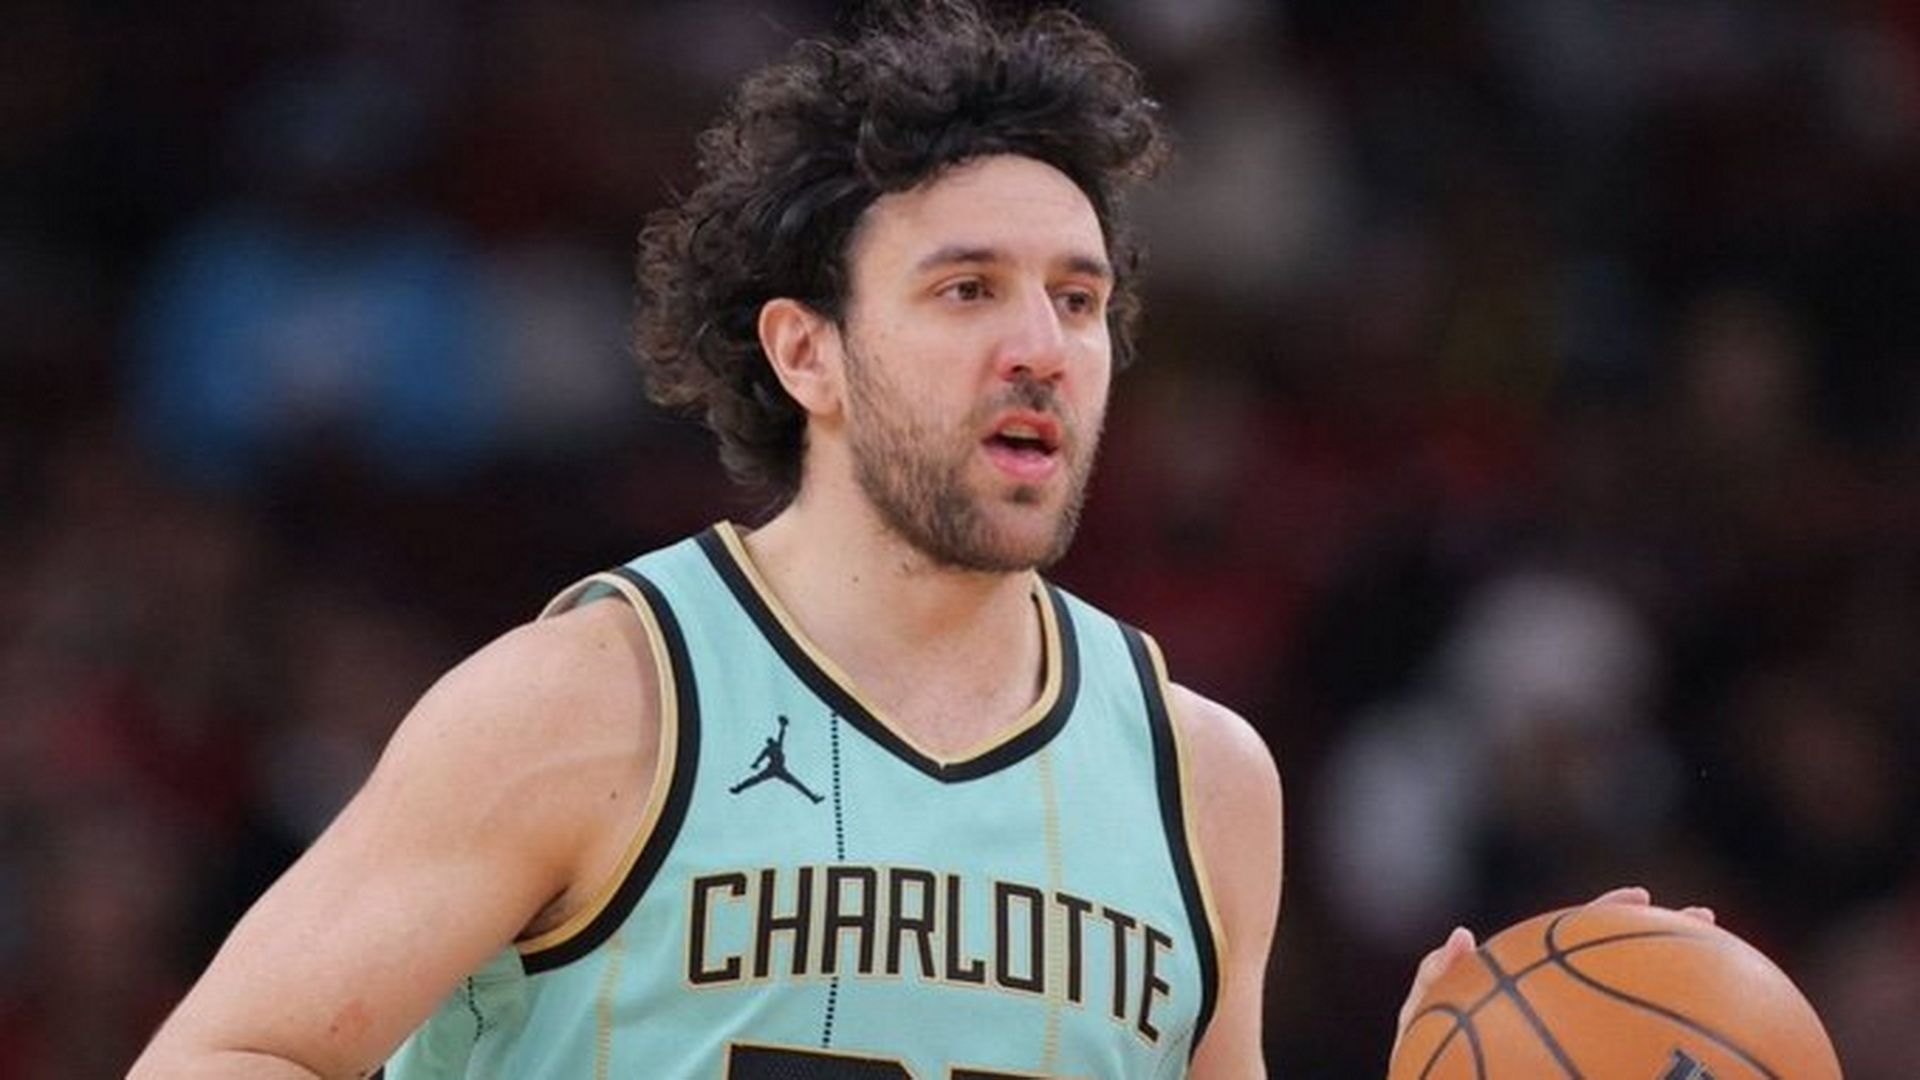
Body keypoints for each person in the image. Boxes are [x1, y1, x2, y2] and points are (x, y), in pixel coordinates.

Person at [127, 4, 1681, 1077]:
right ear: (805, 352)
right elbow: (233, 1051)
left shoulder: (1205, 781)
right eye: (966, 289)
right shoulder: (593, 700)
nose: (1041, 346)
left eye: (1078, 300)